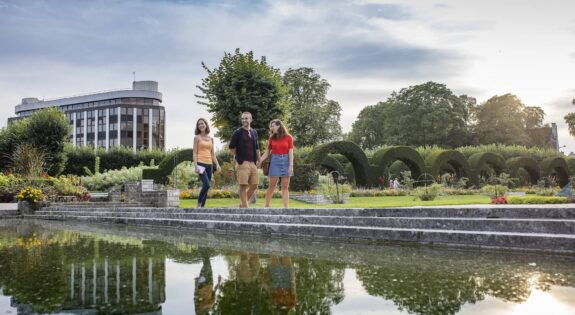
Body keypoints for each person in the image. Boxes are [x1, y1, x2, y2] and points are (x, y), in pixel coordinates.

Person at [259, 119, 294, 208]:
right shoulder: (272, 138)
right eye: (271, 126)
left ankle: (286, 208)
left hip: (286, 161)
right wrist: (259, 160)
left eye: (273, 126)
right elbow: (267, 153)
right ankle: (266, 207)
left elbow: (291, 152)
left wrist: (291, 165)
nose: (271, 128)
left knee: (285, 187)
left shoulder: (288, 137)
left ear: (279, 126)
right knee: (272, 186)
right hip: (275, 161)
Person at [229, 112, 261, 208]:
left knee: (255, 184)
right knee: (243, 185)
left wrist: (259, 160)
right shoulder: (237, 132)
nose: (244, 120)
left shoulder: (254, 132)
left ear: (251, 119)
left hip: (253, 163)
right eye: (243, 118)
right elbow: (231, 147)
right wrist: (238, 156)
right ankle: (245, 208)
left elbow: (257, 148)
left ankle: (242, 204)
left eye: (246, 118)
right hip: (243, 162)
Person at [193, 118, 221, 208]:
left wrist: (217, 164)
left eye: (202, 123)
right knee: (206, 184)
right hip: (200, 164)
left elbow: (213, 154)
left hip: (210, 164)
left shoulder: (211, 139)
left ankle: (202, 207)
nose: (201, 125)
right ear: (198, 127)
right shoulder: (197, 138)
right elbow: (194, 152)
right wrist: (196, 165)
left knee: (207, 187)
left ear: (206, 125)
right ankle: (199, 204)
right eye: (199, 124)